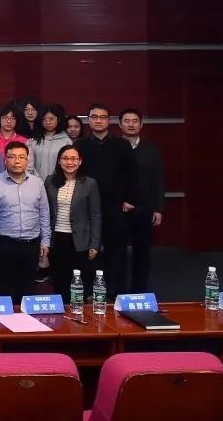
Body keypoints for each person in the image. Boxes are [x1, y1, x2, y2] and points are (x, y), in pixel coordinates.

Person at [74, 103, 137, 299]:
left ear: (109, 121)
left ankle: (115, 292)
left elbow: (132, 174)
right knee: (86, 251)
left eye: (103, 117)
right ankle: (86, 293)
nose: (98, 121)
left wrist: (129, 199)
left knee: (116, 252)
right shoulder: (80, 145)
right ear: (89, 120)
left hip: (116, 206)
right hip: (87, 207)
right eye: (94, 117)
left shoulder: (122, 144)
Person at [0, 141, 50, 302]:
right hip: (3, 243)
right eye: (12, 157)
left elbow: (44, 213)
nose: (17, 161)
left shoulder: (37, 183)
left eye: (21, 157)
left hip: (31, 244)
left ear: (27, 160)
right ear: (5, 160)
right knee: (3, 288)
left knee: (26, 289)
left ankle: (24, 318)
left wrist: (45, 241)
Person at [45, 145, 101, 300]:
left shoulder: (89, 183)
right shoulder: (50, 181)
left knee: (79, 281)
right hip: (57, 238)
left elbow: (95, 215)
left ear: (80, 161)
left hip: (80, 240)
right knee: (59, 279)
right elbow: (44, 211)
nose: (69, 162)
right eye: (65, 158)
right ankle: (61, 312)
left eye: (74, 159)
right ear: (59, 161)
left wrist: (95, 243)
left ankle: (77, 311)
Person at [119, 108, 164, 293]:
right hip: (119, 209)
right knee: (117, 254)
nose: (131, 124)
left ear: (141, 125)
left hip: (144, 209)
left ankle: (139, 292)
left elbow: (158, 180)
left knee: (142, 253)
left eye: (135, 121)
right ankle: (117, 292)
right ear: (120, 124)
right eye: (127, 121)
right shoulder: (114, 147)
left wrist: (158, 209)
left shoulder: (151, 150)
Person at [27, 104, 71, 180]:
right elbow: (28, 166)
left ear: (58, 119)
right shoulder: (33, 141)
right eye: (44, 119)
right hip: (36, 183)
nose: (47, 122)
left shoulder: (66, 141)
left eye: (51, 119)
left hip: (58, 183)